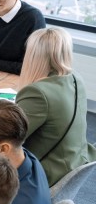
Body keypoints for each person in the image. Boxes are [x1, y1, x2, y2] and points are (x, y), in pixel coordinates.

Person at [16, 27, 96, 186]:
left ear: (34, 55)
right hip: (72, 161)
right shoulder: (74, 78)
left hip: (44, 174)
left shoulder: (38, 93)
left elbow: (6, 138)